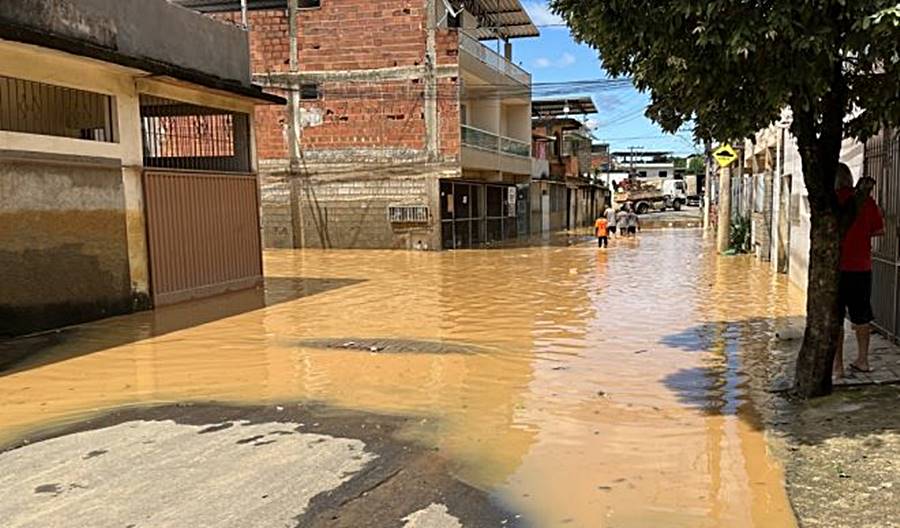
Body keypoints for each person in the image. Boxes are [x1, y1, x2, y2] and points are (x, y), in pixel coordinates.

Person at [834, 163, 884, 378]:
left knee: (835, 318)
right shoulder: (865, 201)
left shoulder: (830, 201)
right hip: (862, 268)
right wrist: (862, 234)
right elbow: (880, 229)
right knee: (862, 316)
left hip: (835, 269)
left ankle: (837, 367)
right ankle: (863, 360)